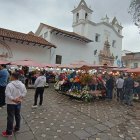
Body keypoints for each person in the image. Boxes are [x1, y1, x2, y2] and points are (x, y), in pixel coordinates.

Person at [2, 72, 27, 137]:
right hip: (18, 102)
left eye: (11, 76)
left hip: (11, 103)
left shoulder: (9, 85)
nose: (10, 77)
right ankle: (17, 128)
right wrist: (19, 98)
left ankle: (9, 132)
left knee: (10, 117)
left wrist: (13, 99)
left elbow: (7, 94)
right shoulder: (22, 84)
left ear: (13, 77)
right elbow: (24, 92)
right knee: (17, 115)